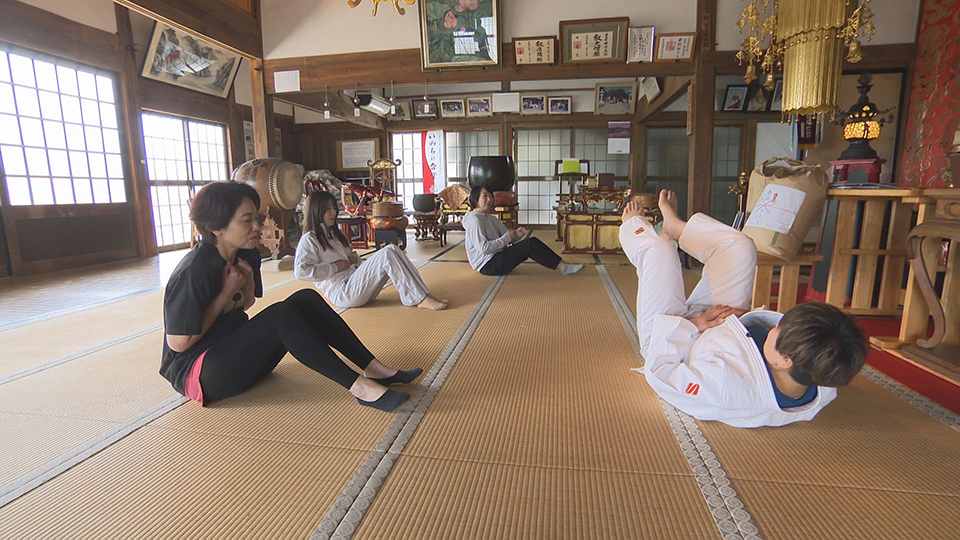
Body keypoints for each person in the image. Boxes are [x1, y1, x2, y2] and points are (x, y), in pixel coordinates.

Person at [160, 181, 420, 413]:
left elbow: (247, 304)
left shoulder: (245, 252)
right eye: (247, 220)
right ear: (217, 227)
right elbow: (179, 343)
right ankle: (360, 388)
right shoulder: (194, 270)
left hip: (235, 356)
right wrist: (227, 292)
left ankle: (373, 368)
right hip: (201, 375)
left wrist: (247, 284)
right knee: (280, 315)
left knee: (305, 298)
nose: (257, 227)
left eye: (257, 218)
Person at [620, 189, 867, 428]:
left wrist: (693, 324)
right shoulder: (820, 365)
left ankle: (634, 227)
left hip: (671, 337)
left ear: (784, 360)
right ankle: (676, 228)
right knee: (740, 247)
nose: (774, 326)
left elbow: (661, 373)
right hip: (723, 319)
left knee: (659, 252)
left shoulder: (725, 392)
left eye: (778, 329)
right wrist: (744, 320)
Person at [294, 191, 448, 310]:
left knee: (392, 249)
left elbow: (354, 257)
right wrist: (335, 267)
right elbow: (300, 272)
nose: (333, 212)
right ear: (316, 211)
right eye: (328, 209)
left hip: (357, 283)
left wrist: (352, 261)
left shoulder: (335, 234)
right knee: (387, 254)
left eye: (334, 208)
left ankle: (422, 293)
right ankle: (419, 298)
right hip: (343, 292)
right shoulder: (310, 239)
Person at [462, 186, 584, 276]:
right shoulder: (474, 220)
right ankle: (563, 267)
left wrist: (517, 234)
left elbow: (508, 235)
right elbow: (484, 248)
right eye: (485, 196)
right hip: (487, 265)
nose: (489, 199)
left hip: (497, 256)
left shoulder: (490, 218)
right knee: (530, 244)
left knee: (531, 243)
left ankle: (563, 264)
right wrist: (507, 238)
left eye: (490, 196)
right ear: (475, 199)